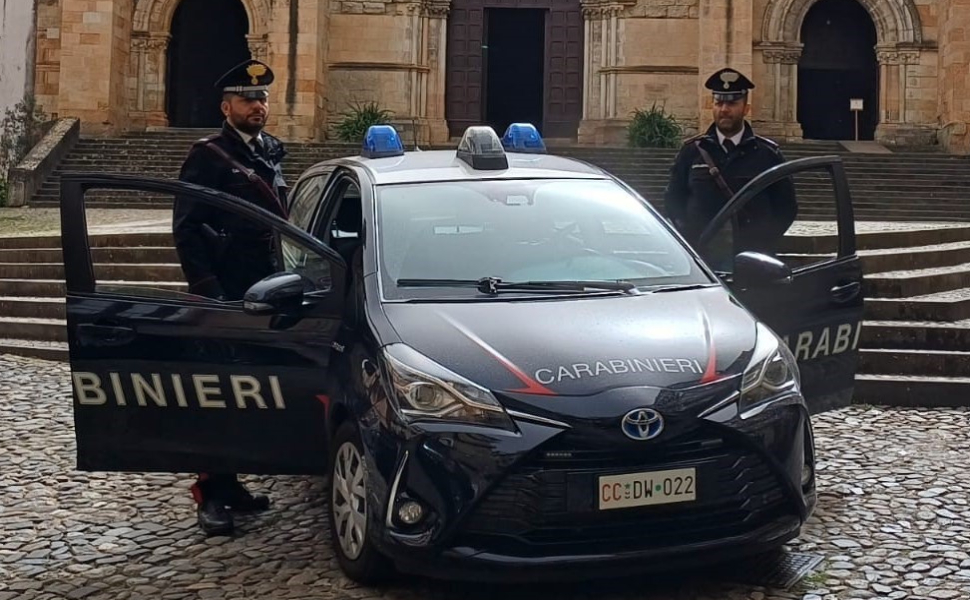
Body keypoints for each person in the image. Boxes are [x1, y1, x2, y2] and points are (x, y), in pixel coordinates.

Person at [171, 58, 289, 536]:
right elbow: (187, 228)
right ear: (227, 107)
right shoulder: (208, 155)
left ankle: (234, 485)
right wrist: (208, 293)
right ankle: (211, 494)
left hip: (265, 291)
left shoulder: (268, 152)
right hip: (225, 291)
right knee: (218, 396)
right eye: (247, 99)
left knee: (251, 392)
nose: (257, 105)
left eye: (261, 98)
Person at [663, 67, 797, 270]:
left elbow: (786, 207)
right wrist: (689, 236)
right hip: (703, 262)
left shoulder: (767, 154)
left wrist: (763, 242)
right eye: (719, 103)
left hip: (752, 263)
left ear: (746, 108)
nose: (724, 109)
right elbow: (673, 200)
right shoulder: (692, 152)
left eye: (732, 103)